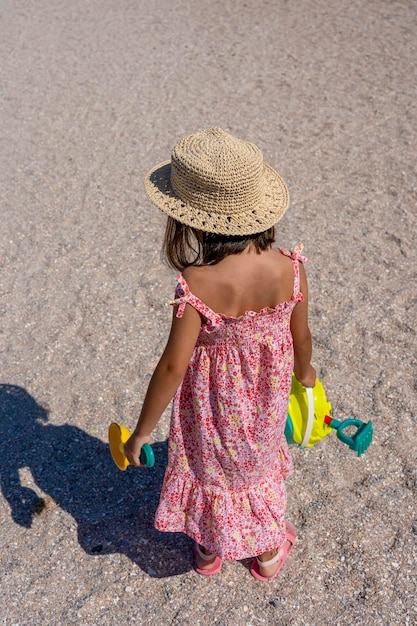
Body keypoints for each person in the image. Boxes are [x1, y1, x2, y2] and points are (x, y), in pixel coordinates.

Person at [124, 127, 316, 580]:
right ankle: (266, 555)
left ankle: (209, 552)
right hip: (264, 402)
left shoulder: (196, 283)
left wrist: (141, 432)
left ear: (190, 219)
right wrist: (304, 373)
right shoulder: (290, 268)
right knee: (258, 465)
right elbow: (302, 336)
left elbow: (173, 365)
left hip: (209, 408)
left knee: (209, 468)